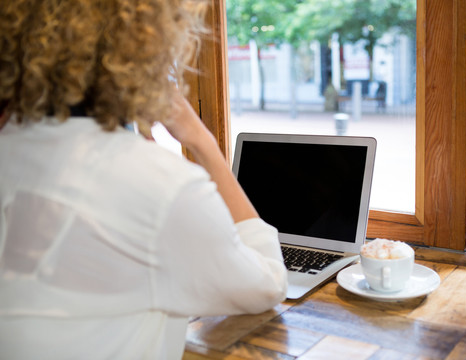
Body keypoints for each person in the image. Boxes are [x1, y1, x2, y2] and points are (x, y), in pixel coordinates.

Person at [0, 0, 287, 359]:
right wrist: (204, 144)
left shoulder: (11, 146)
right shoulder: (162, 187)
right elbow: (267, 285)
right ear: (146, 43)